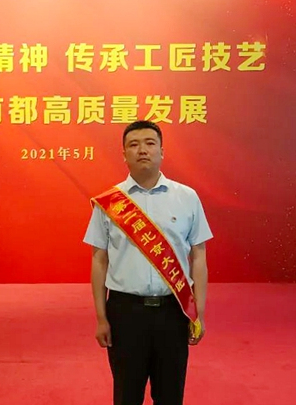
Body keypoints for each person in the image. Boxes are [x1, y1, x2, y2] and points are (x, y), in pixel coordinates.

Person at [83, 120, 213, 405]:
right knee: (126, 396)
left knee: (170, 395)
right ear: (124, 154)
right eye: (134, 144)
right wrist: (101, 318)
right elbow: (99, 260)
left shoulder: (187, 197)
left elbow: (199, 256)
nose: (142, 150)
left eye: (150, 143)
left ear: (162, 151)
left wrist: (198, 313)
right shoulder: (110, 202)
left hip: (173, 311)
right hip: (125, 313)